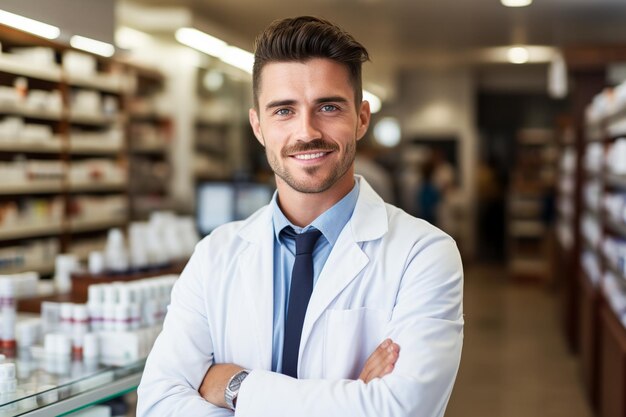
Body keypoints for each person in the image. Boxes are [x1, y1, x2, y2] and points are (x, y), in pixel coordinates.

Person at [137, 16, 463, 417]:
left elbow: (400, 409)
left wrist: (235, 387)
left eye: (328, 106)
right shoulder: (214, 255)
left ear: (361, 118)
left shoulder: (424, 254)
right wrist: (350, 397)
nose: (306, 131)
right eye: (283, 111)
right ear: (257, 125)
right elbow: (158, 403)